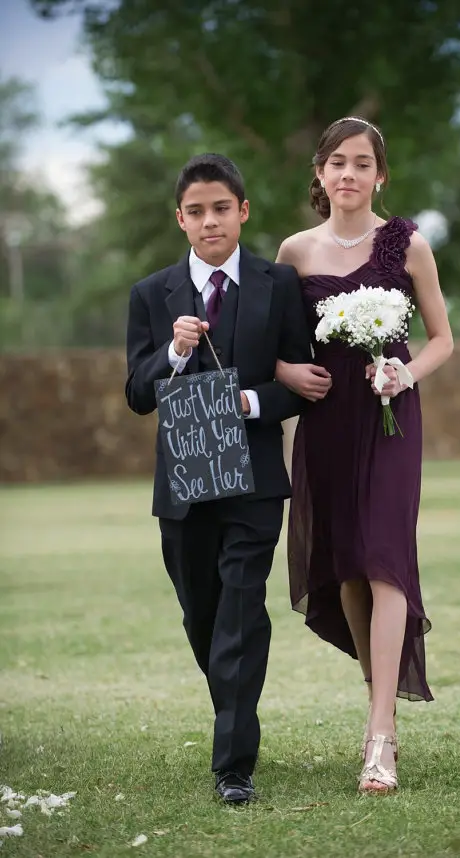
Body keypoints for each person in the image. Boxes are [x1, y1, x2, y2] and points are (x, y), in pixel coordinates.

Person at [125, 153, 313, 804]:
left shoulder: (278, 284)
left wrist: (251, 403)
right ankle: (233, 702)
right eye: (197, 211)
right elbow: (136, 394)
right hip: (182, 484)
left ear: (244, 211)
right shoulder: (152, 296)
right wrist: (173, 352)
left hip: (256, 479)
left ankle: (234, 765)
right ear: (181, 220)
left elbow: (300, 385)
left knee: (240, 611)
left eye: (222, 208)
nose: (211, 221)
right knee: (202, 614)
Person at [275, 117, 453, 793]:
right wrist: (291, 374)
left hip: (389, 421)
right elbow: (274, 345)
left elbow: (441, 339)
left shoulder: (407, 244)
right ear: (319, 174)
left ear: (380, 174)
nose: (348, 174)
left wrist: (404, 374)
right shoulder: (293, 253)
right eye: (336, 163)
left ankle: (381, 736)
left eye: (361, 163)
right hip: (326, 423)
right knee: (347, 571)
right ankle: (379, 698)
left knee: (384, 559)